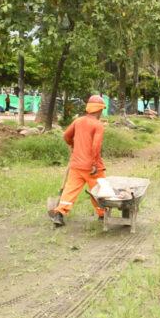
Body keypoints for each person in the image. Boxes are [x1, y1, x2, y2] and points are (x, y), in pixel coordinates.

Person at [49, 95, 107, 227]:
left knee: (70, 190)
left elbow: (66, 136)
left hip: (76, 165)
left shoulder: (78, 121)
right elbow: (96, 146)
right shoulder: (98, 125)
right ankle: (103, 214)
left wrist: (72, 144)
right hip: (92, 168)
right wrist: (95, 163)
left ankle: (59, 213)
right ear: (99, 110)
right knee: (100, 190)